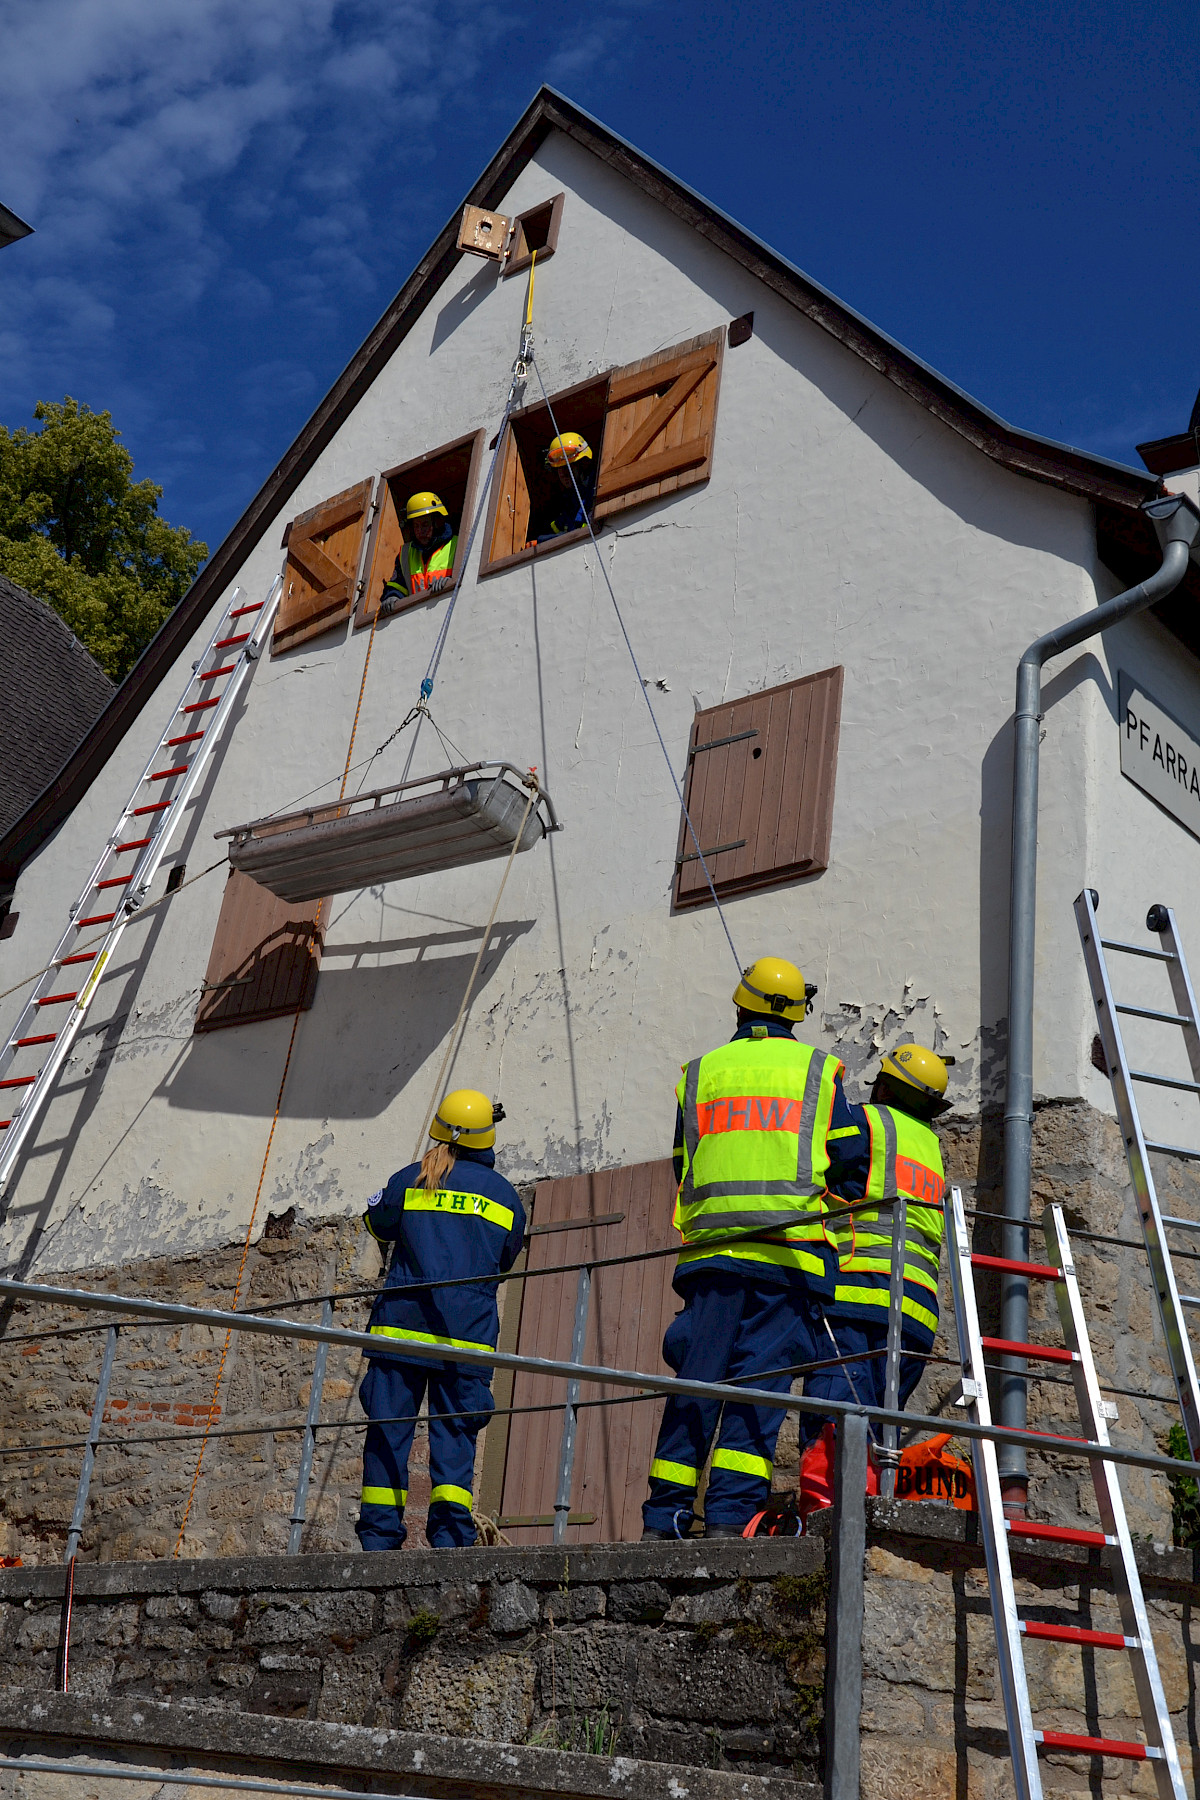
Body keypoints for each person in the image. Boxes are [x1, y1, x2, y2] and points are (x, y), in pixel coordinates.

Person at [641, 956, 864, 1540]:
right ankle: (728, 1521)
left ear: (739, 1005)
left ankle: (663, 1519)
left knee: (696, 1387)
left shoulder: (699, 1074)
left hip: (712, 1259)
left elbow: (680, 1163)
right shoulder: (817, 1070)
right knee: (757, 1394)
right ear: (796, 1013)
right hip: (786, 1262)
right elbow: (849, 1163)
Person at [356, 1088, 525, 1551]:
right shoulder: (505, 1196)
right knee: (456, 1438)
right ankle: (451, 1540)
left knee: (389, 1433)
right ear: (487, 1135)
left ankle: (378, 1540)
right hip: (465, 1338)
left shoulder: (410, 1179)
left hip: (400, 1333)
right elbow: (504, 1259)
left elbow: (375, 1224)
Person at [797, 1042, 952, 1516]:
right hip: (916, 1317)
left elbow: (817, 1151)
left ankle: (829, 1532)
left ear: (884, 1085)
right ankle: (863, 1524)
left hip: (858, 1301)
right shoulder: (931, 1149)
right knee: (874, 1434)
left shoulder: (870, 1124)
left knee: (835, 1424)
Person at [379, 492, 459, 613]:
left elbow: (469, 576)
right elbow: (397, 586)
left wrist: (451, 582)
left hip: (451, 610)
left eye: (425, 524)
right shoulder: (405, 554)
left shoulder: (457, 544)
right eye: (416, 526)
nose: (420, 531)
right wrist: (392, 597)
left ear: (437, 522)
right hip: (418, 619)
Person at [528, 432, 595, 545]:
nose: (563, 474)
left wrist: (539, 542)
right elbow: (562, 528)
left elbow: (580, 531)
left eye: (567, 467)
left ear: (583, 463)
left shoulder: (596, 489)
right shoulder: (568, 502)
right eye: (559, 469)